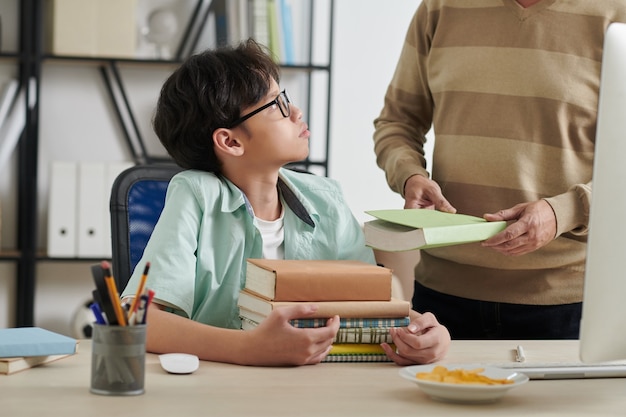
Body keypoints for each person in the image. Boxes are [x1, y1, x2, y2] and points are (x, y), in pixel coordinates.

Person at [121, 39, 450, 366]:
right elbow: (139, 319)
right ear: (231, 141)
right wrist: (249, 348)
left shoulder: (326, 198)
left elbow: (372, 301)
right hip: (219, 388)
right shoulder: (195, 195)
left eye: (286, 98)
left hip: (316, 384)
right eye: (276, 105)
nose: (296, 111)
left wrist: (421, 329)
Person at [373, 0, 626, 339]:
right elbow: (397, 122)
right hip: (442, 300)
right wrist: (409, 175)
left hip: (567, 304)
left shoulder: (616, 13)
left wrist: (563, 212)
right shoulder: (440, 8)